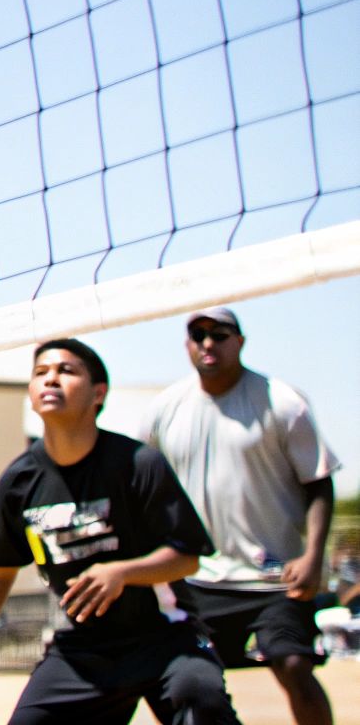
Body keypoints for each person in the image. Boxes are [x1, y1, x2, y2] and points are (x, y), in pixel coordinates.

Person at [0, 338, 238, 724]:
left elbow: (187, 557)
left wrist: (121, 572)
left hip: (164, 638)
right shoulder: (19, 484)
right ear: (31, 395)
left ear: (98, 393)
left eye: (66, 371)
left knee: (201, 699)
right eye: (40, 373)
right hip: (82, 649)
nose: (50, 379)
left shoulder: (138, 464)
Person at [139, 307, 341, 725]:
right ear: (187, 344)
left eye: (220, 333)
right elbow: (144, 491)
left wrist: (313, 556)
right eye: (198, 334)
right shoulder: (164, 409)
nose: (208, 343)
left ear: (240, 342)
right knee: (184, 680)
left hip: (274, 577)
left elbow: (318, 481)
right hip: (196, 579)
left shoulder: (283, 403)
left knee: (293, 666)